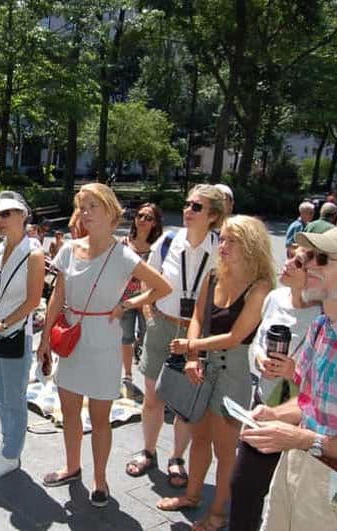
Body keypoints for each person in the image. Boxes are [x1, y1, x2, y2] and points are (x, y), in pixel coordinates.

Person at [242, 225, 337, 531]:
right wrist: (273, 414)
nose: (307, 264)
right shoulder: (321, 327)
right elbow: (310, 402)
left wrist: (304, 439)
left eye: (322, 258)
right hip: (294, 467)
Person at [37, 183, 171, 507]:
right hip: (71, 336)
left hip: (104, 343)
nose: (85, 213)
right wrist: (44, 337)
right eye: (82, 206)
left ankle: (100, 479)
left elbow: (162, 287)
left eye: (93, 206)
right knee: (69, 410)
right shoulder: (69, 249)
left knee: (100, 417)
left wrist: (127, 305)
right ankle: (72, 466)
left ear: (111, 211)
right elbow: (58, 295)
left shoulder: (122, 254)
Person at [157, 215, 273, 531]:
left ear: (251, 245)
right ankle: (193, 496)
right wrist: (193, 355)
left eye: (231, 240)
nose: (223, 245)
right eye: (222, 238)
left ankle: (219, 513)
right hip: (203, 366)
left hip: (233, 375)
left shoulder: (260, 287)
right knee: (199, 438)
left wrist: (192, 345)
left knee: (225, 450)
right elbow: (197, 315)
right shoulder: (212, 276)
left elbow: (236, 336)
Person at [126, 184, 225, 488]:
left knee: (184, 401)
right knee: (153, 397)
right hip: (163, 325)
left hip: (196, 333)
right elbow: (148, 279)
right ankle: (148, 450)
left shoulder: (222, 249)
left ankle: (176, 458)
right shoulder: (168, 241)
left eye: (196, 207)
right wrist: (147, 313)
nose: (187, 210)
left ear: (213, 216)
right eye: (186, 204)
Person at [227, 249, 320, 531]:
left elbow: (327, 384)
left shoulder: (323, 316)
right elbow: (256, 342)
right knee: (243, 485)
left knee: (288, 496)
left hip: (301, 414)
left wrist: (294, 371)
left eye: (298, 262)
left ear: (314, 274)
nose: (288, 262)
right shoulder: (274, 298)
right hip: (265, 404)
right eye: (290, 254)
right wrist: (259, 358)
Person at [0, 191, 45, 479]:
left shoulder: (34, 253)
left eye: (7, 214)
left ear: (22, 215)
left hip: (16, 335)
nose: (0, 221)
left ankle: (12, 454)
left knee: (14, 397)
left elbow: (32, 302)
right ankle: (6, 438)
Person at [119, 203, 164, 394]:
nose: (143, 220)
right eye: (140, 215)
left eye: (148, 218)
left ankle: (151, 378)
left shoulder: (158, 247)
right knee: (125, 338)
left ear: (155, 223)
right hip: (125, 299)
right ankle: (127, 376)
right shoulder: (123, 243)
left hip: (149, 301)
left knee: (149, 338)